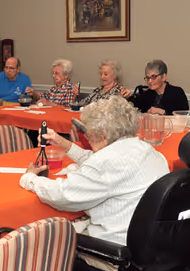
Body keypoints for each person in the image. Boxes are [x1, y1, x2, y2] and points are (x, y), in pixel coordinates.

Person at [20, 96, 169, 245]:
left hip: (117, 251)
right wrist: (62, 142)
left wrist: (30, 178)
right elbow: (99, 162)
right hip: (154, 244)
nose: (85, 135)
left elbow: (63, 195)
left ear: (103, 133)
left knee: (46, 241)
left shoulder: (107, 162)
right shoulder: (147, 150)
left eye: (88, 130)